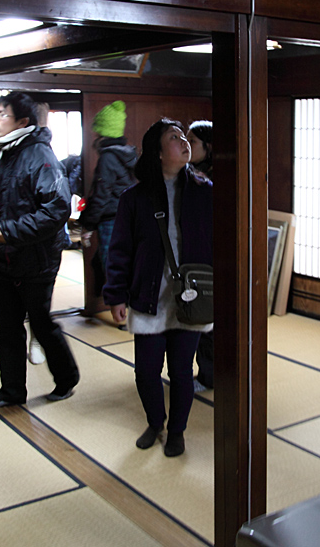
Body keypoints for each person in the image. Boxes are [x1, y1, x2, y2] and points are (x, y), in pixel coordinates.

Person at [103, 118, 213, 457]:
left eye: (184, 136)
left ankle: (177, 431)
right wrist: (115, 295)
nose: (184, 140)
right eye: (174, 137)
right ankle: (155, 422)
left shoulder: (205, 192)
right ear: (158, 152)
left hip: (190, 298)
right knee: (146, 372)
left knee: (181, 372)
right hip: (149, 295)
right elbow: (119, 250)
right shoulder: (134, 198)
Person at [0, 92, 79, 409]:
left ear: (22, 122)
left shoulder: (39, 155)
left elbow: (57, 209)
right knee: (6, 329)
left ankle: (66, 379)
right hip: (1, 258)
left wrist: (8, 232)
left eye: (2, 114)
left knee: (41, 324)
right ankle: (11, 392)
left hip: (37, 259)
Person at [79, 101, 137, 302]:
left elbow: (101, 195)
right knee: (120, 262)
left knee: (111, 265)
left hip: (111, 219)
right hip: (127, 218)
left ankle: (120, 306)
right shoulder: (127, 154)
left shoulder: (108, 158)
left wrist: (87, 224)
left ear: (103, 132)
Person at [187, 119, 214, 391]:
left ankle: (208, 375)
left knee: (208, 322)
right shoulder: (188, 173)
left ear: (208, 146)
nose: (187, 145)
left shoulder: (212, 178)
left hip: (210, 257)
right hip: (191, 257)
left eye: (192, 141)